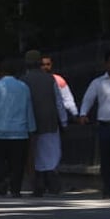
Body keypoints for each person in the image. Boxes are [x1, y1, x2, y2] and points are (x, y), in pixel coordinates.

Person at [76, 50, 110, 199]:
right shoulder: (98, 83)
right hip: (104, 126)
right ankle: (107, 188)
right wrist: (83, 114)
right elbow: (88, 99)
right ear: (106, 64)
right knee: (105, 159)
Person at [0, 59, 36, 198]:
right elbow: (28, 109)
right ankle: (15, 188)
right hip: (19, 132)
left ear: (1, 72)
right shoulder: (23, 87)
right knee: (18, 163)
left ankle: (1, 180)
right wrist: (31, 127)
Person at [21, 49, 67, 196]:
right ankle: (52, 181)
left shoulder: (23, 81)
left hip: (31, 123)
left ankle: (37, 183)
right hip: (50, 121)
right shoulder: (50, 79)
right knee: (51, 153)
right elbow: (59, 102)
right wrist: (64, 121)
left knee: (33, 153)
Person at [41, 54, 78, 119]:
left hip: (56, 117)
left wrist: (75, 114)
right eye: (43, 65)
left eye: (48, 64)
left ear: (51, 65)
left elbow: (68, 99)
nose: (45, 67)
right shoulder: (35, 81)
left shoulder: (59, 80)